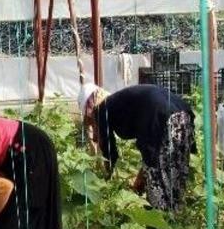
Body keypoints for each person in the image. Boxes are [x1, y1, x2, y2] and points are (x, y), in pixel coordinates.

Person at [78, 83, 195, 212]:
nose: (93, 129)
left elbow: (109, 153)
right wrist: (141, 178)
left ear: (90, 107)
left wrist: (106, 181)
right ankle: (176, 217)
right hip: (182, 115)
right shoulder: (117, 102)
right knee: (175, 179)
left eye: (90, 123)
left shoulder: (101, 110)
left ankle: (162, 221)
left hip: (161, 118)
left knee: (158, 189)